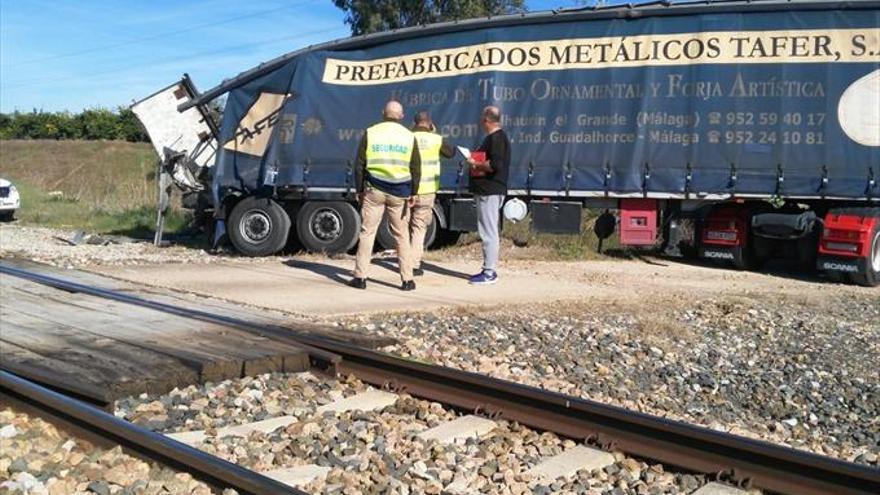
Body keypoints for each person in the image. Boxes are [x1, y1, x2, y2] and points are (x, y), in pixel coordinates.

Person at [350, 100, 421, 291]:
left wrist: (359, 190)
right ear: (402, 116)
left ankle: (360, 277)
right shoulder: (408, 136)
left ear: (383, 113)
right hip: (400, 193)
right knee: (401, 236)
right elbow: (415, 167)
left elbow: (359, 165)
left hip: (375, 190)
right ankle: (407, 280)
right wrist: (414, 192)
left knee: (367, 233)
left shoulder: (371, 132)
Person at [466, 106, 510, 285]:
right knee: (488, 230)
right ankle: (488, 269)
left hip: (490, 190)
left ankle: (489, 272)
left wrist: (475, 163)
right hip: (489, 190)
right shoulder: (496, 138)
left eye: (482, 119)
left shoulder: (496, 139)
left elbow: (495, 165)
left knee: (488, 231)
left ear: (487, 120)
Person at [410, 111, 455, 276]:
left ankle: (403, 261)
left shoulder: (408, 137)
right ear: (430, 123)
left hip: (407, 190)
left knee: (403, 227)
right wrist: (434, 133)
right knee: (419, 228)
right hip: (427, 190)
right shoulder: (436, 139)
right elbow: (451, 153)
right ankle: (413, 265)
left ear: (414, 123)